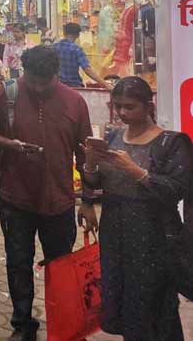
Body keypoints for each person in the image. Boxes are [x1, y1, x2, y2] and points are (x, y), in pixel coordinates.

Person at [0, 46, 97, 341]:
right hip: (16, 197)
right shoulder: (6, 94)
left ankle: (64, 324)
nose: (40, 88)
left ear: (57, 75)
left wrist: (89, 201)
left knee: (62, 266)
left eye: (46, 82)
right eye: (34, 81)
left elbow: (86, 155)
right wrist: (10, 143)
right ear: (23, 72)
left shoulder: (75, 102)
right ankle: (22, 325)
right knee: (18, 261)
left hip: (60, 200)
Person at [82, 78, 193, 341]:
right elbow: (98, 184)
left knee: (152, 305)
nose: (122, 113)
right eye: (118, 106)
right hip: (115, 232)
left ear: (148, 106)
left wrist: (136, 172)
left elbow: (177, 189)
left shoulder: (172, 142)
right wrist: (89, 163)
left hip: (153, 235)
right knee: (121, 300)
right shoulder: (113, 137)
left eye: (129, 107)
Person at [53, 22, 111, 89]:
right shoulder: (77, 49)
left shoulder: (53, 47)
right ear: (78, 35)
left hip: (58, 86)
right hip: (74, 87)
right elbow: (87, 70)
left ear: (64, 33)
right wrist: (106, 84)